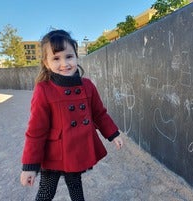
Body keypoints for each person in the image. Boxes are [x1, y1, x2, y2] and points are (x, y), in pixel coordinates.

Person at [20, 29, 124, 201]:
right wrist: (30, 166)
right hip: (53, 153)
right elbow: (36, 131)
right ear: (46, 63)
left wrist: (113, 134)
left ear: (76, 57)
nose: (64, 63)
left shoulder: (87, 85)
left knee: (76, 186)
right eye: (56, 58)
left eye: (69, 56)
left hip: (76, 150)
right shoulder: (44, 90)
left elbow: (99, 113)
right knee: (46, 192)